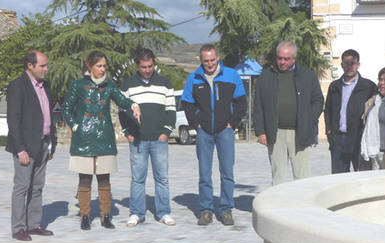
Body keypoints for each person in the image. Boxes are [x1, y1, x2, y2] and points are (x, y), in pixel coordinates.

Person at [63, 50, 141, 230]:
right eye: (99, 66)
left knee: (104, 179)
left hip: (104, 136)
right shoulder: (78, 85)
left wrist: (133, 105)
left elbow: (121, 100)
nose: (102, 69)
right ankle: (85, 215)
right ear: (89, 66)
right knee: (84, 179)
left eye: (104, 66)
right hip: (83, 137)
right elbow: (67, 108)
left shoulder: (109, 84)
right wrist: (75, 125)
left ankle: (106, 215)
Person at [181, 44, 247, 226]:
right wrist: (197, 124)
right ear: (201, 60)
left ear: (217, 58)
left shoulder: (232, 76)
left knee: (227, 173)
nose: (209, 64)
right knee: (204, 173)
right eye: (205, 61)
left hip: (224, 131)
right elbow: (187, 104)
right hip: (204, 133)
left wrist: (231, 124)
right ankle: (206, 210)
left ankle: (226, 209)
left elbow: (242, 103)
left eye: (212, 60)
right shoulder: (193, 78)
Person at [119, 48, 176, 227]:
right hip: (137, 140)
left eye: (150, 66)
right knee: (137, 178)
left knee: (162, 178)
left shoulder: (165, 83)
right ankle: (137, 213)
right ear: (138, 65)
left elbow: (171, 110)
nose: (147, 70)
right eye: (144, 67)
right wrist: (127, 132)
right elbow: (122, 111)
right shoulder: (127, 85)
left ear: (154, 64)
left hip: (159, 140)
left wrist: (165, 133)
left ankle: (164, 212)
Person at [254, 40, 324, 185]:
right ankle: (279, 206)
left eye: (287, 59)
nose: (282, 62)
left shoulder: (307, 75)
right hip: (275, 133)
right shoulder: (266, 76)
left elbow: (318, 100)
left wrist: (309, 119)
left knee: (302, 176)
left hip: (300, 133)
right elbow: (258, 105)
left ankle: (300, 206)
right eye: (279, 58)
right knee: (277, 176)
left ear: (294, 59)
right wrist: (260, 132)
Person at [6, 50, 57, 241]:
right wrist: (20, 149)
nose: (46, 69)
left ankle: (34, 224)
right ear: (30, 66)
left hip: (43, 144)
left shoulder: (46, 86)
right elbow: (13, 119)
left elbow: (49, 114)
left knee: (37, 187)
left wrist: (52, 143)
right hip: (25, 147)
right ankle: (19, 228)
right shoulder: (17, 86)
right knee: (22, 187)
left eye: (46, 65)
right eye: (42, 66)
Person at [323, 49, 377, 173]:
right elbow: (328, 111)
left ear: (358, 64)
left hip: (359, 138)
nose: (349, 66)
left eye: (352, 63)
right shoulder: (334, 86)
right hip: (338, 139)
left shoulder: (368, 86)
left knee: (361, 175)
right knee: (338, 177)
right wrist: (329, 132)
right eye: (346, 63)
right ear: (342, 65)